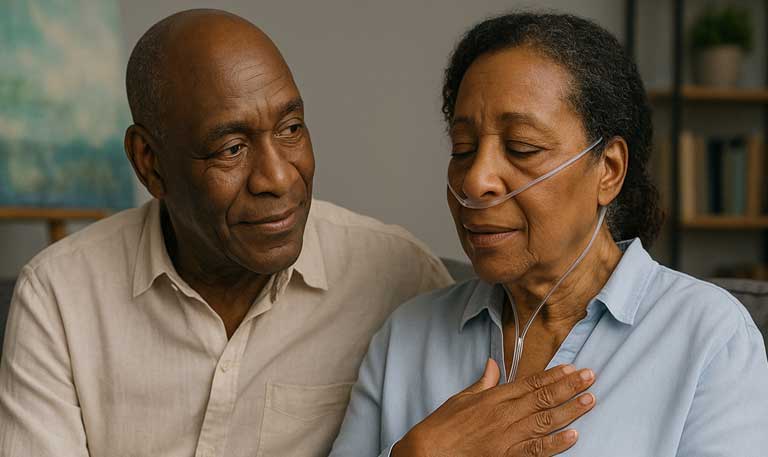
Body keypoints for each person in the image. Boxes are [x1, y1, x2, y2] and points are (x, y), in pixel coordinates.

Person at [0, 9, 452, 457]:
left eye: (291, 129)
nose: (277, 178)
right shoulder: (58, 296)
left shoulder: (400, 279)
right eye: (231, 148)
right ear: (149, 163)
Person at [330, 12, 768, 457]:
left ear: (609, 170)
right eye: (463, 149)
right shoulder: (407, 336)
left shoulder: (708, 335)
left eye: (522, 147)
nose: (475, 180)